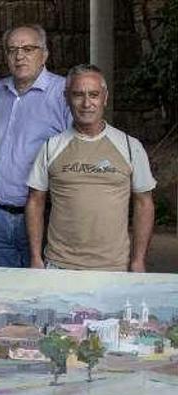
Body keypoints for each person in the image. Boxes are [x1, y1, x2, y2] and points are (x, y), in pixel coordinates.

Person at [26, 64, 156, 272]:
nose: (87, 103)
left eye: (93, 95)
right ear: (66, 98)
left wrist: (138, 260)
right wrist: (35, 258)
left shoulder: (131, 147)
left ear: (105, 97)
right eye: (78, 95)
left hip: (114, 268)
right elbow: (35, 201)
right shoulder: (51, 146)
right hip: (60, 266)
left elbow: (144, 204)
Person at [0, 24, 72, 267]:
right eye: (12, 50)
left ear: (45, 54)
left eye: (28, 49)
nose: (19, 56)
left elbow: (75, 155)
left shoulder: (63, 92)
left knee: (40, 299)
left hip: (43, 217)